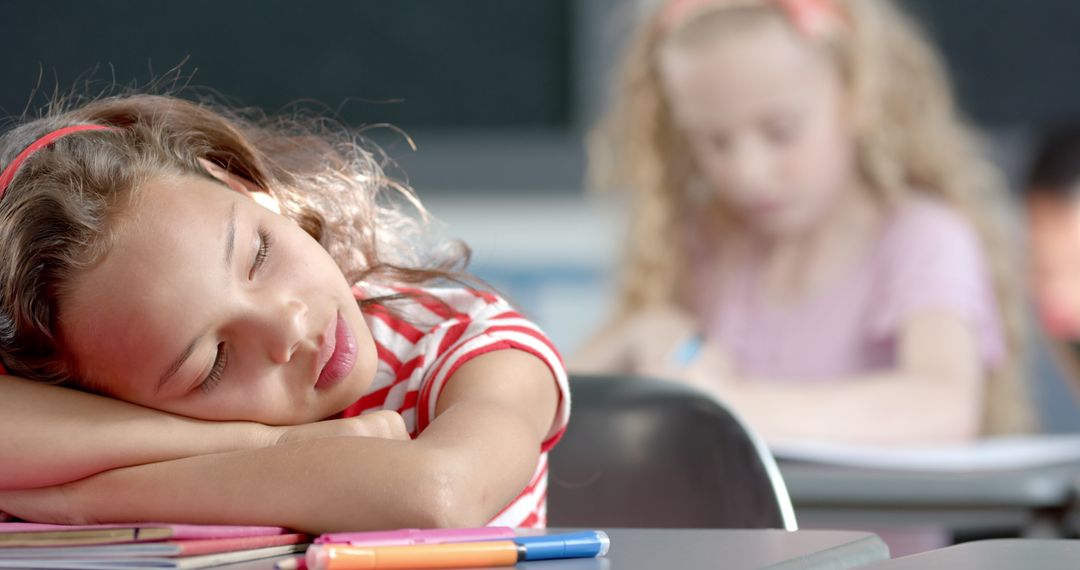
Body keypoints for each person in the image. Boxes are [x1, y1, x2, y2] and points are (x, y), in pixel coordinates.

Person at [0, 94, 569, 534]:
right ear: (106, 405)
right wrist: (265, 447)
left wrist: (85, 499)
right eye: (213, 363)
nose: (290, 327)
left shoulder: (469, 343)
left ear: (242, 185)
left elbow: (440, 496)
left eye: (260, 256)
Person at [573, 0, 1031, 444]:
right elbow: (547, 400)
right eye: (714, 141)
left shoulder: (923, 239)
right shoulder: (702, 243)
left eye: (780, 131)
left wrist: (727, 406)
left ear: (859, 95)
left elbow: (942, 408)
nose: (748, 172)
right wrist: (638, 332)